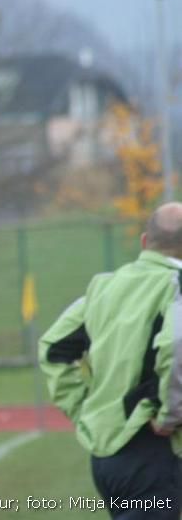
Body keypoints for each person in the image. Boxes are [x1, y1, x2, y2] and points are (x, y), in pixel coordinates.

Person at [39, 203, 182, 519]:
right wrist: (170, 414)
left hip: (107, 459)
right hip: (152, 446)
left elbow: (52, 349)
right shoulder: (176, 284)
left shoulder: (104, 286)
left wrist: (82, 408)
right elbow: (176, 343)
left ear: (145, 242)